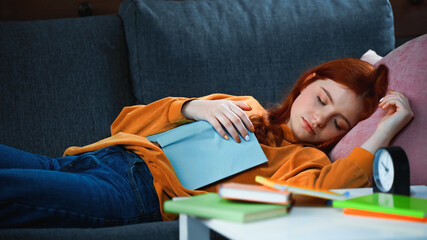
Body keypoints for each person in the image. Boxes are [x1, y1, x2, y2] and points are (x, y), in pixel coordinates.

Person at [0, 58, 413, 228]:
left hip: (132, 194)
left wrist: (382, 132)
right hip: (91, 159)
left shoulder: (304, 161)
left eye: (337, 122)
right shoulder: (244, 109)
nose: (318, 119)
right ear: (307, 82)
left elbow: (328, 190)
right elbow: (125, 121)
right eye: (321, 99)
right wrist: (192, 107)